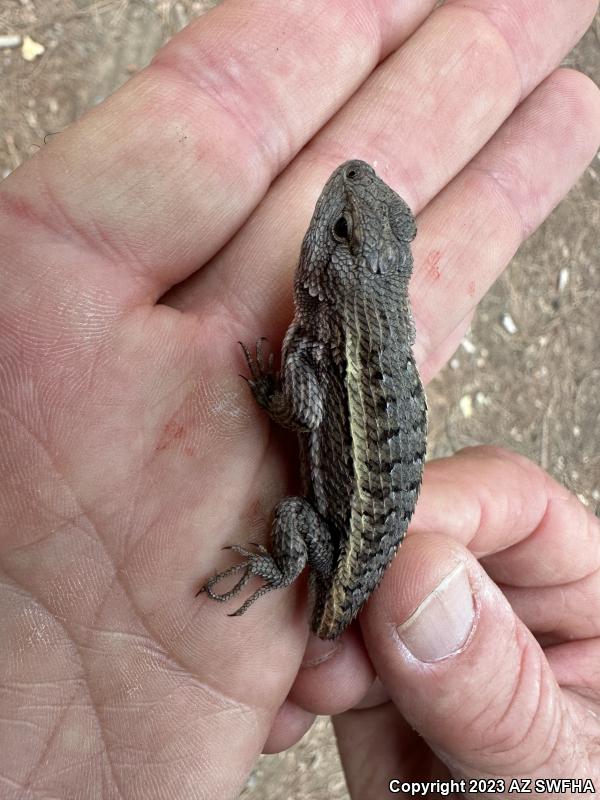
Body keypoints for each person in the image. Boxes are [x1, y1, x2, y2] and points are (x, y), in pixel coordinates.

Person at [1, 0, 599, 795]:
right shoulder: (356, 336)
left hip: (338, 540)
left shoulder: (323, 347)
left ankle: (279, 571)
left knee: (291, 523)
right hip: (374, 508)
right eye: (351, 230)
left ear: (338, 271)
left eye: (350, 235)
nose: (352, 191)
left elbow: (306, 413)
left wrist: (262, 394)